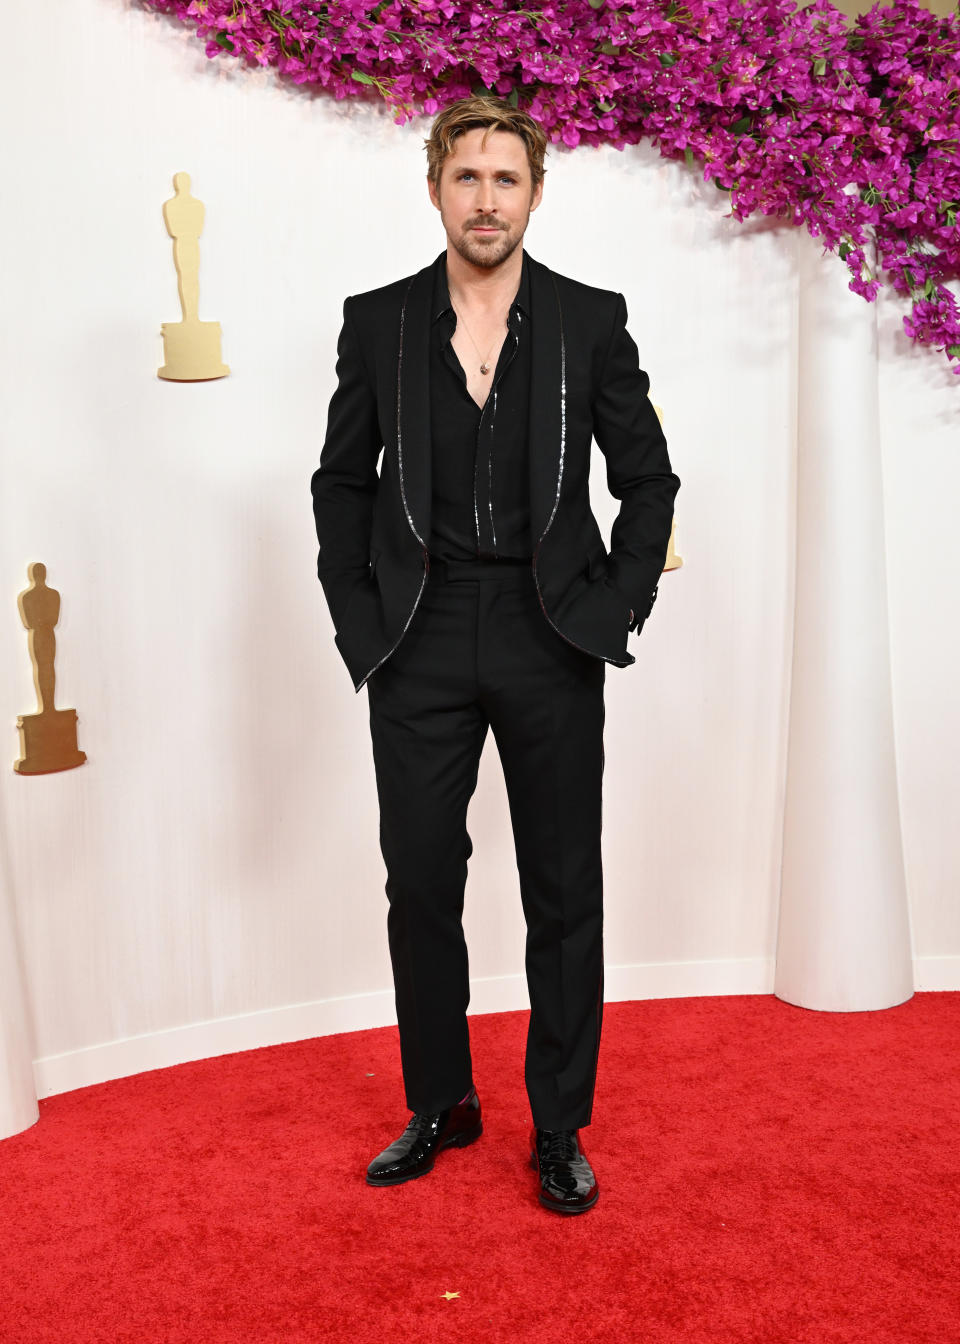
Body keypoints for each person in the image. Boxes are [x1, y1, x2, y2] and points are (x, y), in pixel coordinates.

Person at [310, 95, 681, 1214]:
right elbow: (340, 481)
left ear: (533, 194)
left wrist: (615, 603)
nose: (485, 199)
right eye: (466, 178)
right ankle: (442, 1101)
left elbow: (648, 478)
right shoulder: (379, 323)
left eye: (505, 180)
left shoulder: (588, 319)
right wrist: (361, 621)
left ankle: (559, 1124)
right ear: (436, 189)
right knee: (421, 879)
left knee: (564, 888)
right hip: (418, 637)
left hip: (548, 627)